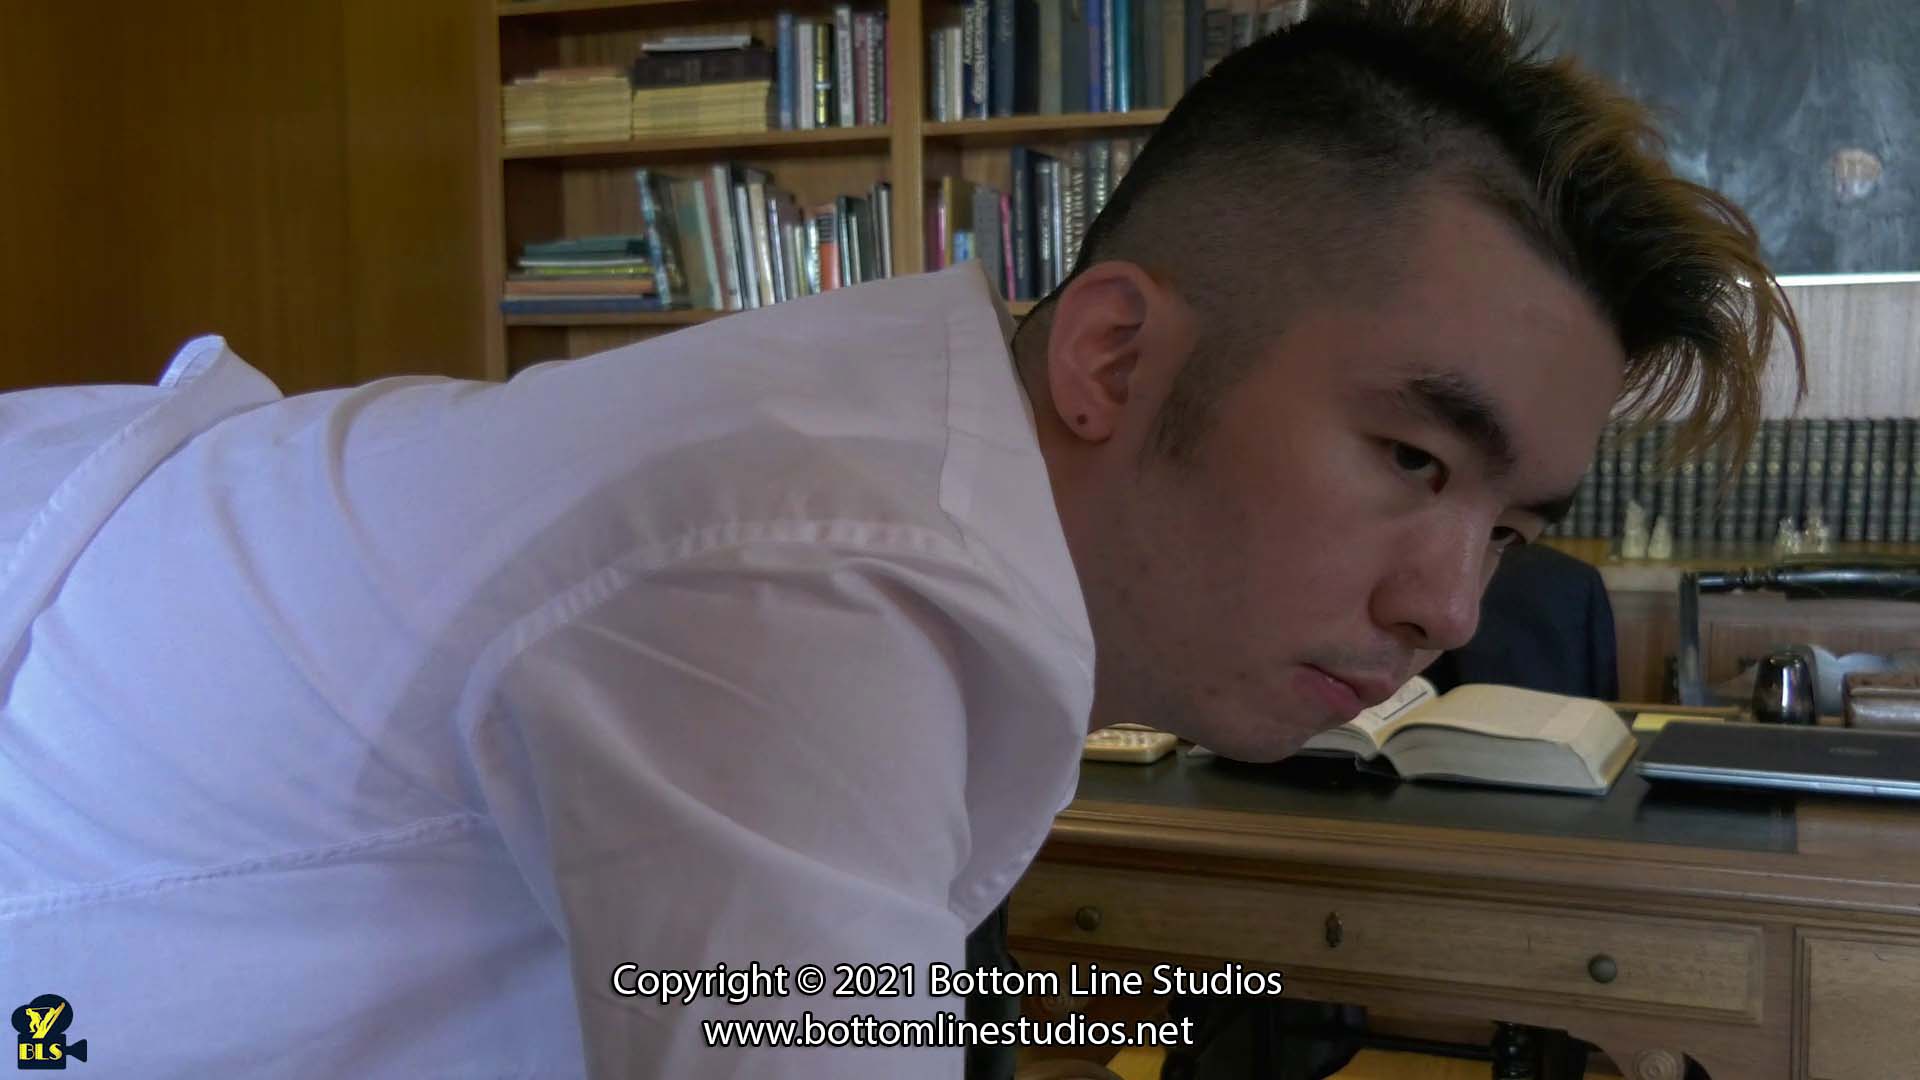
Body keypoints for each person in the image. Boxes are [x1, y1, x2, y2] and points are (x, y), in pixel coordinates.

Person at [0, 1, 1801, 1076]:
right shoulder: (811, 575)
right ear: (1112, 356)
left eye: (1509, 526)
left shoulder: (890, 443)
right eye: (1410, 456)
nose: (1450, 609)